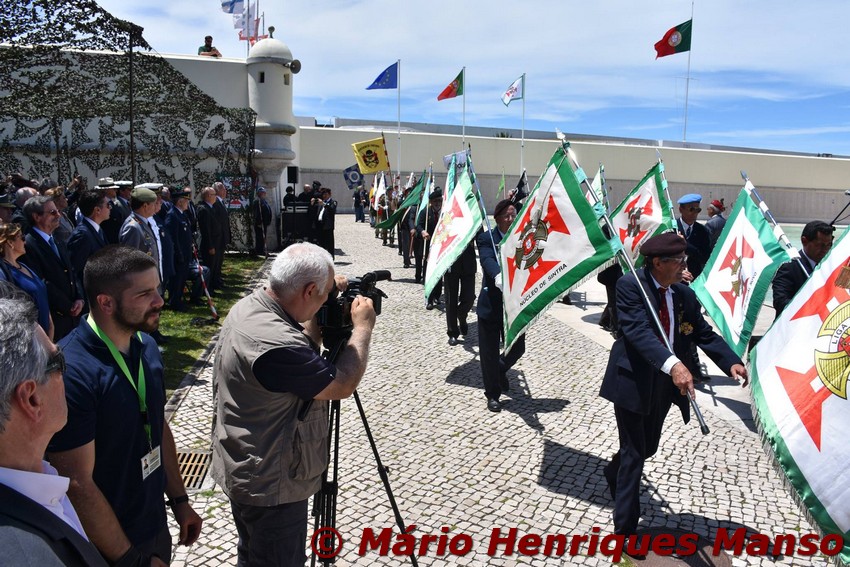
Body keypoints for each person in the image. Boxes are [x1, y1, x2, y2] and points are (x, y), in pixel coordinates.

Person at [211, 243, 376, 567]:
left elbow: (301, 350)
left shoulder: (252, 307)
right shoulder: (276, 343)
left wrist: (323, 293)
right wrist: (362, 327)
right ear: (308, 290)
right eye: (323, 294)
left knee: (253, 557)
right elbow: (342, 384)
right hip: (271, 485)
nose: (327, 300)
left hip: (248, 467)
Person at [47, 246, 203, 566]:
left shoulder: (147, 347)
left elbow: (157, 424)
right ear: (106, 302)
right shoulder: (71, 372)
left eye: (157, 288)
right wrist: (133, 561)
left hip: (153, 524)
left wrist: (179, 499)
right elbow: (77, 483)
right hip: (107, 547)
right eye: (145, 294)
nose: (159, 300)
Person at [598, 232, 748, 543]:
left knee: (647, 448)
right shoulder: (631, 286)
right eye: (679, 261)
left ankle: (613, 471)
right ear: (658, 262)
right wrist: (675, 365)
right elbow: (637, 331)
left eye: (684, 260)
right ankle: (626, 531)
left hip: (664, 386)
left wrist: (731, 361)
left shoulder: (682, 294)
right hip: (632, 380)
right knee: (634, 454)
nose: (685, 266)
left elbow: (701, 332)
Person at [0, 285, 108, 567]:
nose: (67, 370)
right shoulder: (25, 556)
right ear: (31, 399)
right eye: (58, 361)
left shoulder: (34, 482)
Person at [476, 199, 525, 412]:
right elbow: (487, 259)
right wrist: (498, 275)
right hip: (491, 303)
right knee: (488, 351)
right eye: (507, 215)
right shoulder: (487, 238)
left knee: (518, 347)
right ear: (497, 219)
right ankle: (493, 394)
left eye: (514, 215)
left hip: (514, 305)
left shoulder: (521, 237)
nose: (511, 219)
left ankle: (498, 369)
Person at [22, 195, 83, 341]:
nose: (58, 215)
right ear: (37, 217)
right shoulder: (28, 245)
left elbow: (71, 271)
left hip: (72, 316)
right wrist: (68, 306)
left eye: (58, 211)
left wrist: (79, 298)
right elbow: (41, 281)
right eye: (52, 212)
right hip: (56, 320)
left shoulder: (56, 239)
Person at [772, 220, 835, 317]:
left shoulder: (831, 265)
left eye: (829, 245)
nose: (825, 250)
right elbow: (780, 302)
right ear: (804, 241)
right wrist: (813, 306)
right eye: (820, 245)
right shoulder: (789, 267)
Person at [165, 188, 207, 311]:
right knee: (177, 281)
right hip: (179, 255)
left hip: (186, 254)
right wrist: (178, 253)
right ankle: (175, 303)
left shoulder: (182, 215)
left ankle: (179, 301)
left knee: (182, 279)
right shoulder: (172, 215)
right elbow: (173, 238)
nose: (188, 203)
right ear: (180, 202)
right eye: (186, 201)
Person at [67, 190, 110, 307]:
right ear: (97, 210)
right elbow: (74, 270)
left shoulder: (97, 229)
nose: (110, 208)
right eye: (108, 205)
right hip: (89, 298)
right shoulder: (82, 235)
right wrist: (80, 297)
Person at [444, 242, 476, 346]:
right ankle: (452, 332)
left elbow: (480, 236)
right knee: (451, 299)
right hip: (451, 259)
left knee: (469, 297)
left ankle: (462, 314)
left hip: (468, 260)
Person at [414, 189, 443, 297]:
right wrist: (423, 232)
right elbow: (418, 225)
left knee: (439, 270)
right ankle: (429, 296)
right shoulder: (425, 212)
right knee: (428, 270)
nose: (437, 203)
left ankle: (437, 295)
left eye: (439, 201)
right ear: (431, 202)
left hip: (440, 246)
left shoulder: (444, 213)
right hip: (428, 245)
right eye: (435, 201)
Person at [675, 194, 711, 280]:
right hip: (674, 278)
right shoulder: (672, 229)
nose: (695, 213)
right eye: (691, 209)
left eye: (698, 210)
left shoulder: (702, 231)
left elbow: (705, 257)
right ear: (681, 210)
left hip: (694, 278)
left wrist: (686, 245)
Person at [197, 187, 224, 293]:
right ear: (208, 196)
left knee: (215, 266)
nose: (216, 197)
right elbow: (206, 230)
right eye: (214, 194)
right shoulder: (204, 209)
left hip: (217, 242)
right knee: (210, 266)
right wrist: (210, 246)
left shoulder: (211, 207)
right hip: (210, 244)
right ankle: (207, 289)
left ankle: (213, 285)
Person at [317, 187, 337, 258]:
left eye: (326, 194)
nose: (324, 196)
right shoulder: (321, 203)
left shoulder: (333, 202)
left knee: (329, 243)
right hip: (320, 224)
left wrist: (324, 204)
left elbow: (332, 210)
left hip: (328, 225)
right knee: (321, 242)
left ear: (329, 194)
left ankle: (331, 257)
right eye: (323, 194)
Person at [252, 187, 273, 256]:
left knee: (263, 237)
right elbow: (257, 213)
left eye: (264, 192)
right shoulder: (257, 202)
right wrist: (258, 222)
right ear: (259, 194)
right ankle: (260, 251)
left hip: (264, 223)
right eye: (262, 193)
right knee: (260, 237)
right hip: (260, 223)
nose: (264, 194)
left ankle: (262, 250)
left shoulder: (264, 201)